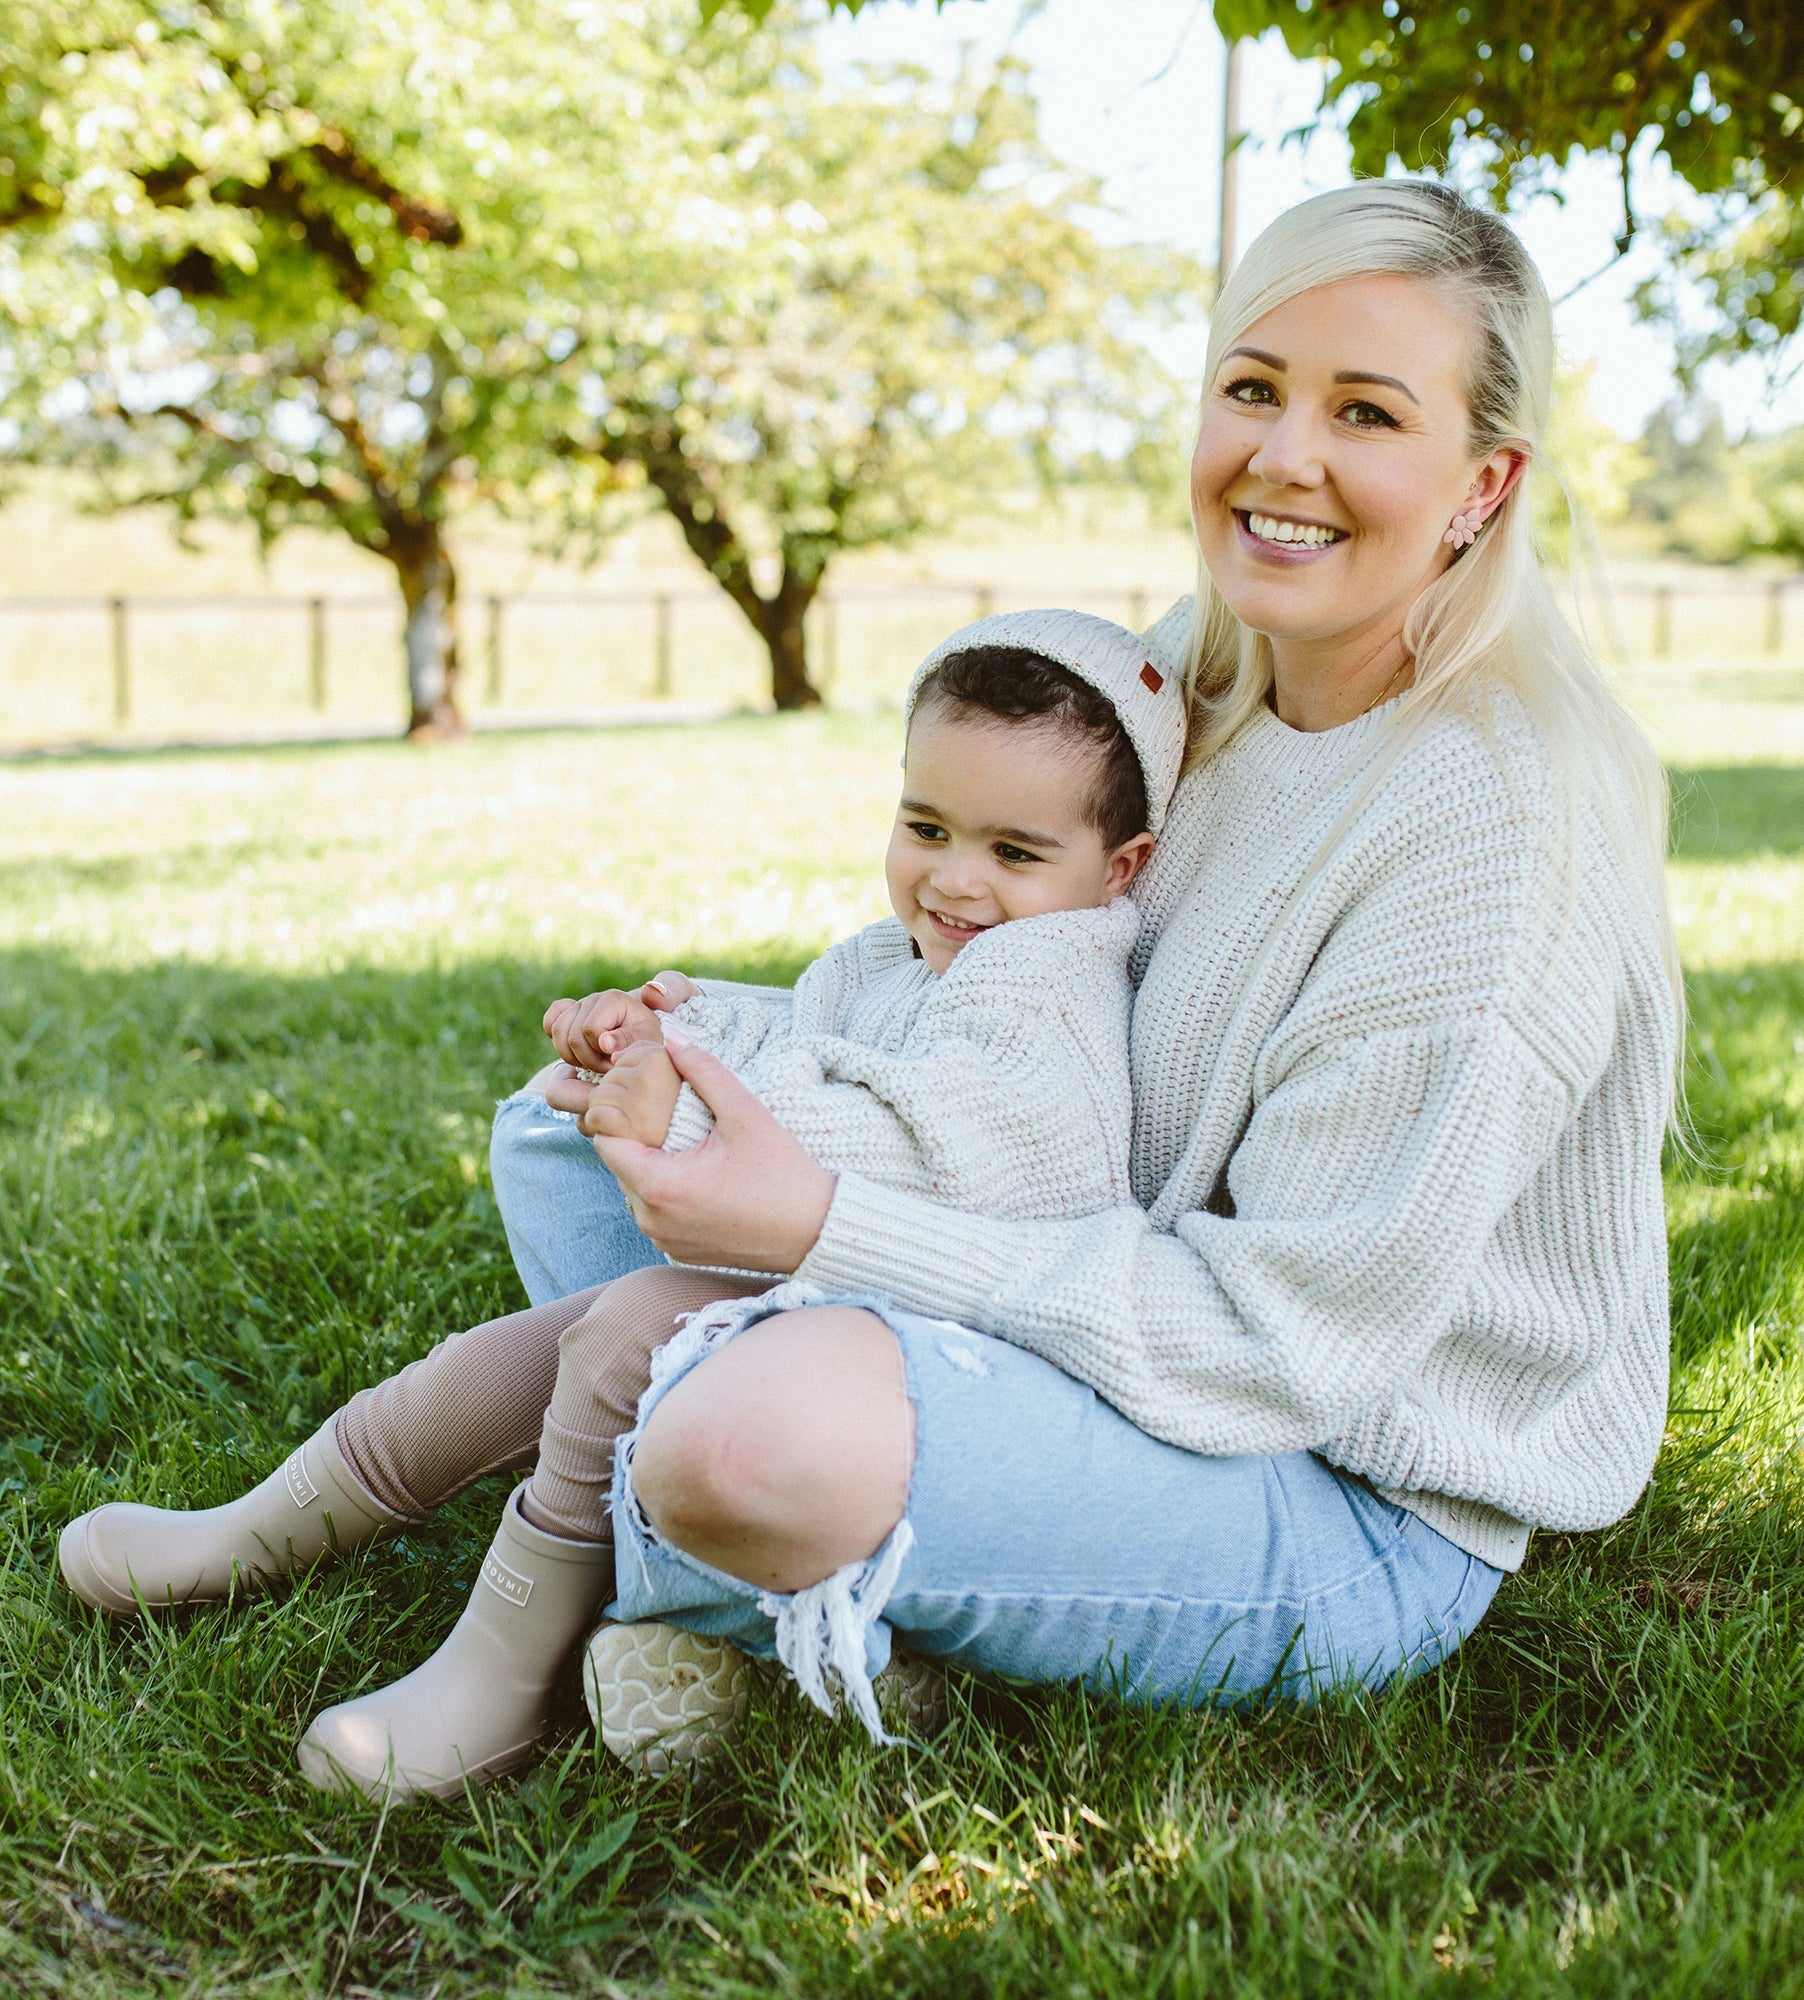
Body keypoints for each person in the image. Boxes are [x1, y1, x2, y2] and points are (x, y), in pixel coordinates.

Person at [505, 178, 1684, 1764]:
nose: (1285, 456)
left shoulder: (1491, 833)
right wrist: (703, 1043)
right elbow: (1017, 1016)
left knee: (750, 1435)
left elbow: (1283, 1346)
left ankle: (691, 1527)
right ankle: (813, 1562)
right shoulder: (1203, 673)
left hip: (1333, 1486)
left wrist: (829, 1225)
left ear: (1483, 484)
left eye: (1368, 414)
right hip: (1096, 1279)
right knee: (565, 1123)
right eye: (1253, 389)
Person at [56, 608, 1187, 1800]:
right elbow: (798, 1034)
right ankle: (269, 1527)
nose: (953, 878)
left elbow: (947, 1148)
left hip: (969, 1371)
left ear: (1118, 867)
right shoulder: (901, 953)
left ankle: (499, 1674)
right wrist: (661, 1031)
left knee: (628, 1329)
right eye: (924, 826)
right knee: (534, 1348)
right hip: (850, 1299)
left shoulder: (1052, 993)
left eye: (1012, 851)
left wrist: (688, 1107)